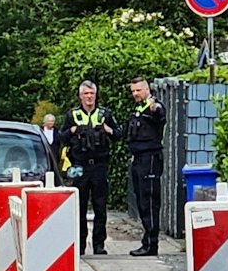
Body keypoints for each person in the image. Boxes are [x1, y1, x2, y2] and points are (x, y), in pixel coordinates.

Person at [64, 82, 114, 255]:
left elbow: (119, 134)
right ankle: (80, 244)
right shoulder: (72, 115)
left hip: (99, 165)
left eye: (92, 93)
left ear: (96, 95)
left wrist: (108, 130)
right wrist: (72, 130)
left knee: (100, 206)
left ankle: (99, 244)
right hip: (80, 167)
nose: (89, 97)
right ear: (80, 96)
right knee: (80, 207)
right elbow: (61, 137)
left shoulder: (104, 114)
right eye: (86, 93)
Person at [123, 78, 165, 256]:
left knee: (149, 201)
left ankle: (151, 244)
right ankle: (147, 240)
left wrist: (155, 108)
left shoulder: (153, 105)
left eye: (138, 90)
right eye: (133, 91)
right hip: (139, 159)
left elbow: (159, 114)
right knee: (141, 201)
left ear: (147, 89)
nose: (135, 94)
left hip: (150, 159)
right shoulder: (138, 110)